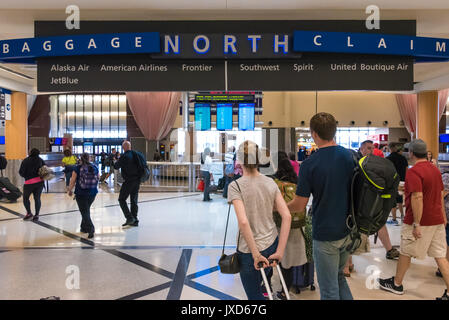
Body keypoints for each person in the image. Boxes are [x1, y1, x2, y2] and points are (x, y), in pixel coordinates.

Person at [287, 112, 354, 300]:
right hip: (348, 230)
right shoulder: (349, 156)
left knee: (328, 290)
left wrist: (279, 207)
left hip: (325, 233)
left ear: (314, 134)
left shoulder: (309, 164)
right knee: (339, 277)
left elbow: (300, 205)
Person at [379, 139, 449, 300]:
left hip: (419, 221)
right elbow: (439, 193)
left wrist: (417, 223)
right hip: (437, 219)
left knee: (405, 251)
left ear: (411, 153)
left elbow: (418, 197)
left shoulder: (414, 171)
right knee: (440, 256)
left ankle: (396, 284)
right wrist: (443, 218)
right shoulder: (435, 170)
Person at [227, 140, 291, 300]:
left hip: (250, 251)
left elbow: (243, 222)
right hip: (271, 244)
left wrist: (256, 255)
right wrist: (280, 251)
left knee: (254, 295)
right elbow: (287, 216)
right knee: (261, 285)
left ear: (240, 161)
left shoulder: (235, 186)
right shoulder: (270, 182)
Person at [271, 157, 307, 300]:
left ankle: (275, 290)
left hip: (280, 226)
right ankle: (286, 291)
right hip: (297, 226)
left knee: (281, 258)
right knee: (289, 262)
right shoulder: (296, 181)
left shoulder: (275, 184)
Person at [359, 139, 400, 259]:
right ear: (362, 149)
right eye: (369, 148)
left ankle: (389, 249)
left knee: (380, 223)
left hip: (375, 200)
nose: (372, 151)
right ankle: (348, 263)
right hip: (361, 203)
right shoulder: (358, 162)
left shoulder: (377, 164)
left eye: (373, 148)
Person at [67, 153, 99, 239]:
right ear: (90, 158)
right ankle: (83, 228)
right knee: (86, 209)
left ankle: (91, 228)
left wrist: (70, 190)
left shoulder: (77, 168)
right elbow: (98, 178)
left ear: (80, 159)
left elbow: (73, 180)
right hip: (93, 193)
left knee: (84, 211)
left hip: (81, 193)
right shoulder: (95, 167)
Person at [114, 141, 145, 227]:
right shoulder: (136, 154)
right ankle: (135, 220)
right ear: (130, 146)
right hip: (137, 181)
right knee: (134, 200)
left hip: (129, 181)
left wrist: (116, 160)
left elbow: (116, 166)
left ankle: (129, 218)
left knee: (121, 199)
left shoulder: (124, 156)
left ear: (123, 148)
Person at [19, 148, 45, 221]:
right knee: (37, 198)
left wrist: (27, 176)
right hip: (39, 183)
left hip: (29, 183)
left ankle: (29, 213)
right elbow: (45, 170)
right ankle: (37, 215)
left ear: (30, 153)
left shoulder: (26, 160)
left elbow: (21, 172)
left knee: (25, 198)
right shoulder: (40, 160)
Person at [387, 143, 408, 226]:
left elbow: (387, 171)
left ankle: (394, 219)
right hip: (402, 180)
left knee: (392, 200)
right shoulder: (403, 158)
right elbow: (406, 170)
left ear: (390, 149)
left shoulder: (388, 158)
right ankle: (403, 216)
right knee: (400, 198)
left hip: (392, 181)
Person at [439, 171, 449, 278]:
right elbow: (442, 195)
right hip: (447, 214)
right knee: (446, 242)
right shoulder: (446, 176)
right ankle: (444, 268)